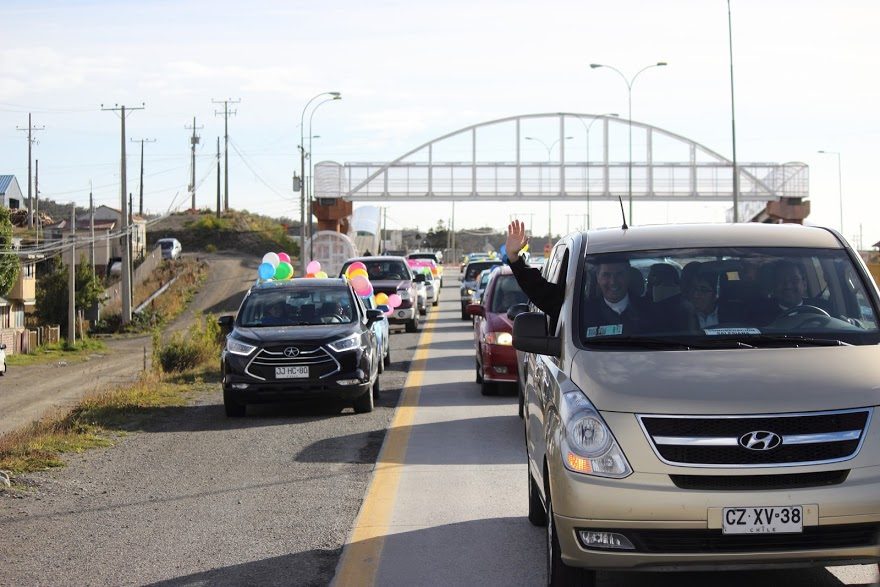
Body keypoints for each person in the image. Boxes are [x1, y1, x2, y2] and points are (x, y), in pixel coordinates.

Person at [504, 220, 654, 335]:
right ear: (597, 278)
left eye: (619, 274)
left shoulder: (651, 310)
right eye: (606, 275)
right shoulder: (578, 310)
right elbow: (538, 289)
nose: (613, 282)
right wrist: (514, 258)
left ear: (629, 275)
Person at [749, 260, 828, 325]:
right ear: (774, 285)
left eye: (794, 280)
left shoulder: (823, 309)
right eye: (781, 280)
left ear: (804, 284)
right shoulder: (758, 314)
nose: (788, 286)